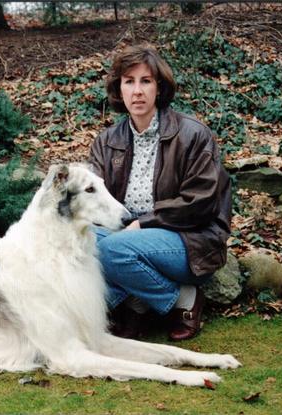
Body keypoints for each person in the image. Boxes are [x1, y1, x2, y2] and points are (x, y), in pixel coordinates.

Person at [89, 44, 231, 341]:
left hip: (190, 240)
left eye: (146, 81)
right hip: (126, 235)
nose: (137, 91)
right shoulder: (106, 141)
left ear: (159, 87)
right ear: (119, 89)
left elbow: (201, 203)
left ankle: (185, 299)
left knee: (112, 249)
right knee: (80, 239)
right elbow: (93, 201)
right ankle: (135, 302)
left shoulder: (192, 134)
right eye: (129, 82)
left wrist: (144, 223)